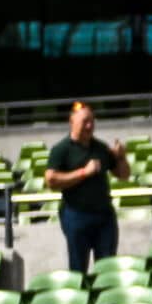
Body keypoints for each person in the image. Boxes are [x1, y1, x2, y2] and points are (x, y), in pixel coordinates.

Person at [44, 101, 129, 271]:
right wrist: (83, 172)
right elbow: (51, 180)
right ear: (72, 122)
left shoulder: (100, 147)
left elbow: (123, 175)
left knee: (107, 269)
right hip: (76, 215)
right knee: (78, 270)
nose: (89, 126)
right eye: (85, 122)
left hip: (104, 216)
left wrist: (120, 157)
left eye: (92, 121)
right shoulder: (62, 149)